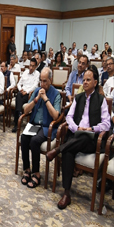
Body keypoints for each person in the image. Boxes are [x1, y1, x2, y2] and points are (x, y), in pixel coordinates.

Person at [46, 66, 110, 210]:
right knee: (69, 151)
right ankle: (67, 193)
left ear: (95, 82)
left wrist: (91, 129)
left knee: (81, 140)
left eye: (88, 80)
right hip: (76, 135)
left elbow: (106, 123)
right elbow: (68, 116)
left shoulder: (101, 100)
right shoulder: (78, 97)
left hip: (91, 139)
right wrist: (77, 128)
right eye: (84, 80)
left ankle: (57, 150)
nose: (85, 82)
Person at [20, 68, 61, 188]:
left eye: (45, 81)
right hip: (34, 124)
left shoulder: (56, 94)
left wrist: (46, 99)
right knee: (24, 138)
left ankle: (36, 173)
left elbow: (55, 115)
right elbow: (26, 110)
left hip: (47, 127)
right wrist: (36, 99)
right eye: (40, 81)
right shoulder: (37, 90)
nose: (42, 84)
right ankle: (27, 169)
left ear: (50, 80)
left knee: (35, 141)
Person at [12, 58, 40, 132]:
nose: (31, 68)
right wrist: (20, 89)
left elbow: (35, 86)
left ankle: (16, 122)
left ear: (36, 66)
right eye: (30, 65)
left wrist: (26, 91)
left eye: (33, 66)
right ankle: (19, 114)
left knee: (18, 98)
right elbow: (18, 83)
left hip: (29, 95)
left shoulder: (37, 74)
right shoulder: (25, 72)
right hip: (22, 92)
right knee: (18, 95)